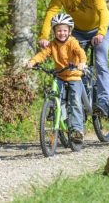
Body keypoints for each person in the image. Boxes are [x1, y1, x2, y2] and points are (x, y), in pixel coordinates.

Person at [38, 0, 109, 118]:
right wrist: (44, 36)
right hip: (78, 31)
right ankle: (72, 102)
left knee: (100, 62)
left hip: (99, 29)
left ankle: (104, 101)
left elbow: (104, 12)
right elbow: (52, 12)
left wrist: (100, 33)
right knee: (69, 63)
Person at [28, 13, 87, 143]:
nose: (62, 33)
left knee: (75, 101)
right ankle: (58, 117)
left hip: (74, 76)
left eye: (65, 30)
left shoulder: (72, 42)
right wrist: (32, 62)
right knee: (56, 97)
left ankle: (77, 130)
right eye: (59, 30)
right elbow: (43, 54)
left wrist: (82, 62)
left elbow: (80, 52)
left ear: (69, 31)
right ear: (54, 31)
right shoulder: (52, 44)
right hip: (60, 75)